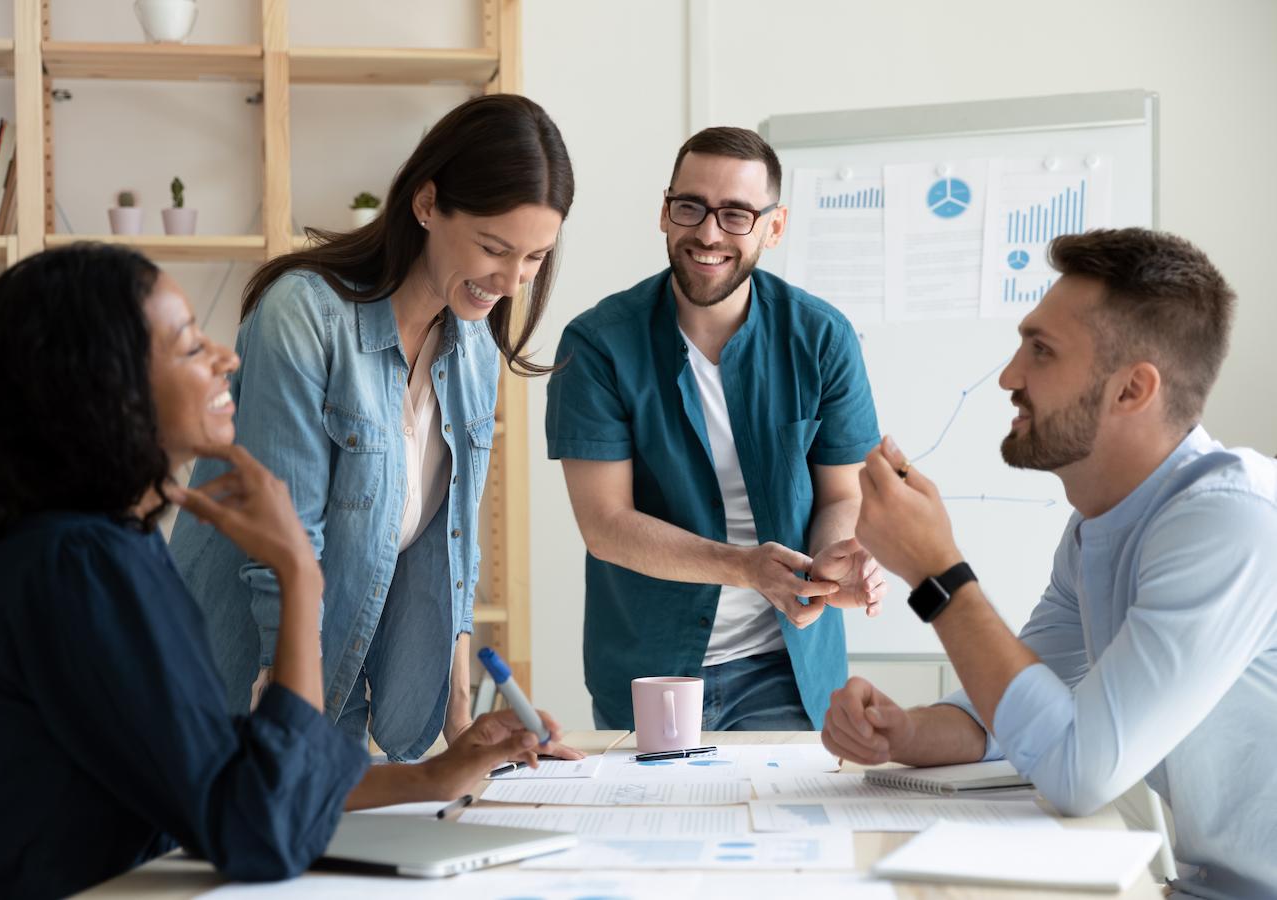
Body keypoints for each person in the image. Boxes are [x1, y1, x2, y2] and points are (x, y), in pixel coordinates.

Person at [0, 245, 570, 899]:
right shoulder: (78, 566)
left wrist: (433, 778)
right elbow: (260, 827)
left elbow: (223, 764)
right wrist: (298, 573)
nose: (225, 359)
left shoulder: (106, 546)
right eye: (188, 347)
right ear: (107, 389)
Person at [826, 228, 1277, 898]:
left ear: (1132, 390)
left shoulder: (1229, 523)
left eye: (1041, 351)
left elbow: (1075, 769)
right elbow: (1022, 711)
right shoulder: (1099, 528)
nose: (1010, 376)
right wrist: (908, 732)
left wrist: (937, 572)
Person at [169, 94, 579, 761]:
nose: (510, 282)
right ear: (426, 205)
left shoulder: (472, 344)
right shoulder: (304, 318)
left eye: (534, 258)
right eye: (493, 248)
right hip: (237, 692)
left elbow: (454, 548)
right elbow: (283, 548)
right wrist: (291, 734)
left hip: (335, 695)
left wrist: (462, 726)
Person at [545, 127, 887, 732]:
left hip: (785, 666)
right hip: (648, 671)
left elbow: (843, 494)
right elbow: (606, 526)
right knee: (652, 828)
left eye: (736, 215)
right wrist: (747, 567)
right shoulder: (598, 344)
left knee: (784, 827)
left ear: (773, 228)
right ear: (664, 212)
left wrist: (829, 564)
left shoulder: (822, 338)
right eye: (690, 207)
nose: (708, 232)